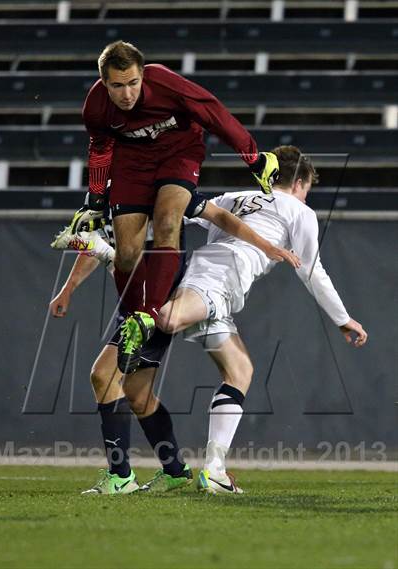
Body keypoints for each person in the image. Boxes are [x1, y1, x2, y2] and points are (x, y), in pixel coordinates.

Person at [142, 144, 367, 494]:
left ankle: (214, 470)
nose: (306, 195)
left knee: (240, 372)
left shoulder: (235, 196)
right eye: (307, 188)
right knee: (168, 319)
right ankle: (143, 318)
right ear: (299, 182)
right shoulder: (298, 210)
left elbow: (184, 209)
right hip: (224, 276)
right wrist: (343, 318)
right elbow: (311, 271)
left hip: (208, 272)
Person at [50, 191, 299, 494]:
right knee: (137, 393)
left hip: (156, 298)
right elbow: (96, 241)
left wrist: (264, 244)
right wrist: (68, 288)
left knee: (103, 376)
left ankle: (120, 476)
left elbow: (218, 215)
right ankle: (175, 470)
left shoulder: (164, 186)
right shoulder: (105, 192)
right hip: (132, 292)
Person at [70, 39, 280, 375]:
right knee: (125, 253)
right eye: (117, 86)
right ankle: (132, 324)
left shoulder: (165, 82)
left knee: (168, 221)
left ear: (143, 76)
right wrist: (96, 200)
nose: (127, 94)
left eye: (133, 83)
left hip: (178, 154)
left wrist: (252, 156)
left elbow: (214, 114)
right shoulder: (95, 106)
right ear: (104, 82)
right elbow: (100, 148)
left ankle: (146, 316)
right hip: (132, 162)